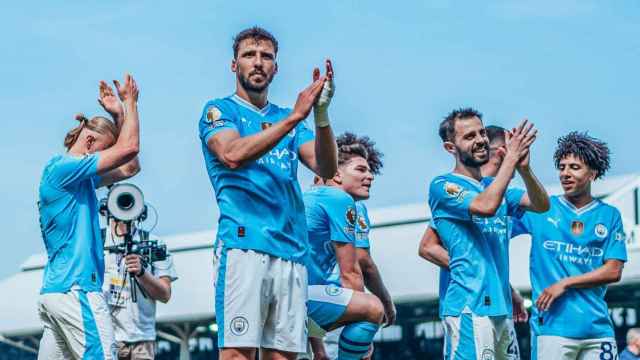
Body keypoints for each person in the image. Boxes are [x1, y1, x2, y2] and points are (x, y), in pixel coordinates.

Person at [198, 27, 338, 360]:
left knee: (284, 357)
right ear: (234, 65)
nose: (258, 63)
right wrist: (294, 117)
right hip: (245, 246)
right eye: (249, 55)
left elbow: (327, 169)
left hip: (291, 250)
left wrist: (320, 115)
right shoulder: (219, 110)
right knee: (237, 355)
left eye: (266, 57)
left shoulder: (286, 119)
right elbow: (231, 153)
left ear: (275, 67)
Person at [428, 108, 549, 359]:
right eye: (469, 136)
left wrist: (524, 169)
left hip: (501, 309)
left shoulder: (496, 189)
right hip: (468, 308)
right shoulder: (443, 185)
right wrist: (510, 160)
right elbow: (484, 207)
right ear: (451, 148)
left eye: (481, 132)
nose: (481, 139)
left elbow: (541, 205)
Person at [37, 74, 141, 359]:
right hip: (77, 289)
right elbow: (129, 149)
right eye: (106, 152)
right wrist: (130, 103)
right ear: (90, 140)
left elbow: (130, 167)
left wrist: (118, 114)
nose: (108, 159)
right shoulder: (63, 168)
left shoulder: (77, 179)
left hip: (56, 293)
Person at [513, 132, 627, 359]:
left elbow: (613, 270)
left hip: (598, 331)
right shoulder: (541, 208)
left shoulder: (609, 215)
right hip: (552, 329)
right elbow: (493, 236)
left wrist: (565, 283)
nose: (565, 173)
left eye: (574, 167)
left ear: (593, 173)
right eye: (562, 167)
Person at [418, 125, 529, 324]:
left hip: (498, 306)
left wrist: (505, 287)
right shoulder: (457, 189)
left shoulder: (507, 195)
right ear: (502, 151)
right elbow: (427, 247)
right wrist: (472, 273)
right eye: (513, 146)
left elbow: (488, 256)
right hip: (467, 306)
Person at [310, 133, 394, 360]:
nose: (370, 177)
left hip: (301, 303)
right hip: (312, 303)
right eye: (360, 170)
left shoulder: (312, 198)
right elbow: (359, 266)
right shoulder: (337, 200)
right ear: (336, 174)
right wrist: (382, 306)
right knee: (372, 308)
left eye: (370, 170)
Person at [103, 220, 178, 360]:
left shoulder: (153, 242)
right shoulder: (97, 241)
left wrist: (142, 273)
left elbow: (165, 294)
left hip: (143, 339)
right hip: (106, 336)